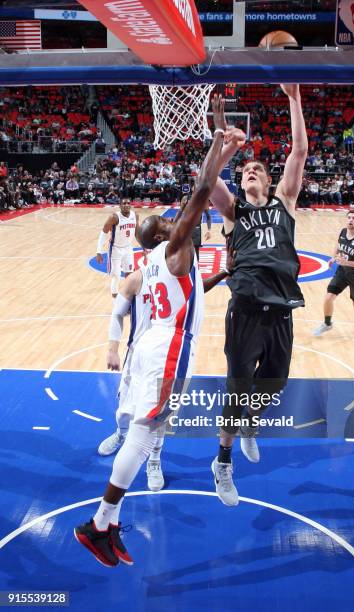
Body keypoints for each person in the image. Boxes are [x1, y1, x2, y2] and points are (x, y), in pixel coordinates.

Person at [74, 95, 228, 567]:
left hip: (151, 347)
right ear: (164, 234)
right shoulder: (176, 247)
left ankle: (109, 523)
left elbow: (192, 287)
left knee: (143, 430)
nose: (169, 217)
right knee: (144, 434)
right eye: (163, 221)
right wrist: (218, 137)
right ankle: (99, 523)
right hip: (169, 348)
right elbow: (201, 190)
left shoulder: (158, 262)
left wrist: (221, 277)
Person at [208, 84, 308, 506]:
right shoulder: (235, 211)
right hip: (246, 306)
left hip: (282, 308)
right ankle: (223, 462)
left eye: (257, 169)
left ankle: (251, 422)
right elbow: (208, 179)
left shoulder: (284, 201)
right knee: (238, 386)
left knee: (275, 382)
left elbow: (298, 154)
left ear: (269, 180)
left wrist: (294, 97)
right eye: (245, 169)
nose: (250, 171)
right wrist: (224, 145)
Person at [98, 249, 234, 492]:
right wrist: (112, 349)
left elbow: (197, 290)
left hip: (164, 356)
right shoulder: (136, 278)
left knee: (159, 417)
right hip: (138, 354)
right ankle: (121, 433)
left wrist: (224, 272)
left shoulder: (174, 278)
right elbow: (117, 314)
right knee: (124, 410)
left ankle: (154, 460)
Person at [313, 210, 354, 337]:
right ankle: (327, 323)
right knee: (328, 297)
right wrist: (333, 257)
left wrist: (347, 263)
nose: (351, 220)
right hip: (343, 271)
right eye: (349, 217)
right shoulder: (343, 232)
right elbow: (338, 245)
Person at [96, 198, 138, 299]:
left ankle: (128, 299)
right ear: (120, 206)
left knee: (129, 274)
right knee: (116, 275)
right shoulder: (114, 217)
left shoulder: (135, 215)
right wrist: (99, 251)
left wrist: (144, 247)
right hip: (115, 249)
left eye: (128, 203)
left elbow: (137, 232)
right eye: (124, 203)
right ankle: (116, 302)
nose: (126, 205)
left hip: (128, 248)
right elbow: (104, 232)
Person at [175, 186, 211, 260]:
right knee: (184, 250)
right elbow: (179, 212)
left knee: (196, 251)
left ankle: (196, 269)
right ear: (192, 188)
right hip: (185, 228)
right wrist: (173, 223)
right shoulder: (186, 198)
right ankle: (185, 269)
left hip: (196, 229)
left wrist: (209, 230)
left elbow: (208, 216)